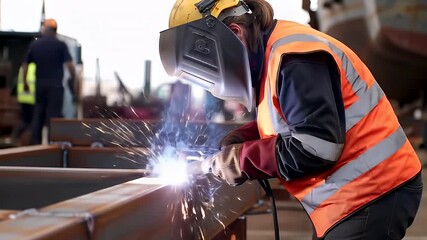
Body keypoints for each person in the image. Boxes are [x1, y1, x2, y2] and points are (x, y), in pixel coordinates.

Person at [159, 0, 423, 239]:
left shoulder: (295, 58)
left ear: (235, 34)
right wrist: (247, 137)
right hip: (354, 196)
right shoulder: (273, 53)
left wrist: (243, 160)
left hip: (374, 191)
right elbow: (297, 118)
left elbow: (317, 146)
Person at [21, 18, 76, 145]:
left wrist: (25, 84)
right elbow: (70, 66)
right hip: (56, 87)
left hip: (39, 85)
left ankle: (35, 147)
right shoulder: (60, 45)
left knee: (38, 115)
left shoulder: (35, 44)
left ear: (45, 29)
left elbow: (24, 66)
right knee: (53, 118)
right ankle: (53, 147)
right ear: (55, 31)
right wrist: (73, 80)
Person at [11, 63, 36, 145]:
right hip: (32, 98)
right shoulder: (36, 66)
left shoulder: (23, 67)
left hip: (23, 98)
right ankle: (23, 140)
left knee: (25, 121)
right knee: (32, 122)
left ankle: (15, 137)